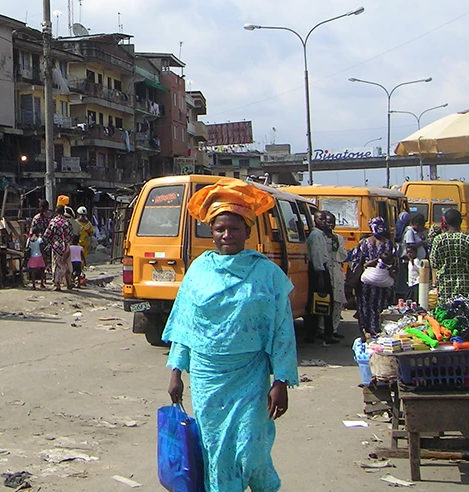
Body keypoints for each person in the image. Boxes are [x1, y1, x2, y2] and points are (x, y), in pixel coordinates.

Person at [163, 179, 298, 492]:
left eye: (234, 229)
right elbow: (185, 324)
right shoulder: (198, 271)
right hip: (208, 377)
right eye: (219, 229)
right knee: (216, 449)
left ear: (248, 231)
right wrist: (175, 372)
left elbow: (282, 330)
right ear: (211, 231)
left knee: (252, 448)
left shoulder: (267, 274)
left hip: (251, 375)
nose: (226, 235)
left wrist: (281, 380)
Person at [351, 217, 397, 338]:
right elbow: (394, 265)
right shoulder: (389, 244)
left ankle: (366, 334)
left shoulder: (363, 243)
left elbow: (356, 263)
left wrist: (354, 282)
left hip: (366, 283)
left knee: (365, 308)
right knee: (381, 308)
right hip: (384, 283)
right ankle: (379, 333)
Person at [305, 210, 345, 344]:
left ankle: (325, 331)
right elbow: (317, 257)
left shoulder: (324, 235)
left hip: (324, 269)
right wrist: (321, 274)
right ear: (315, 220)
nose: (324, 222)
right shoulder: (316, 235)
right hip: (319, 270)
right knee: (323, 301)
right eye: (321, 220)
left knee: (326, 302)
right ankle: (322, 333)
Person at [429, 208, 469, 304]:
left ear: (445, 222)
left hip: (445, 286)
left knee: (445, 315)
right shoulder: (466, 239)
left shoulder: (439, 240)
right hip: (465, 285)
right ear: (460, 221)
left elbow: (434, 263)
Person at [42, 204, 73, 291]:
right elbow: (71, 235)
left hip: (56, 246)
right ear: (63, 212)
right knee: (67, 263)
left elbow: (47, 235)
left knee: (56, 265)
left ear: (56, 212)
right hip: (66, 246)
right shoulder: (67, 222)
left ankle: (57, 284)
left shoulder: (53, 222)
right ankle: (68, 283)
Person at [30, 199, 53, 287]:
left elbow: (31, 231)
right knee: (45, 262)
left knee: (36, 265)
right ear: (47, 207)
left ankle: (36, 283)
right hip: (48, 242)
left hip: (37, 242)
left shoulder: (36, 218)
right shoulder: (50, 217)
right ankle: (44, 281)